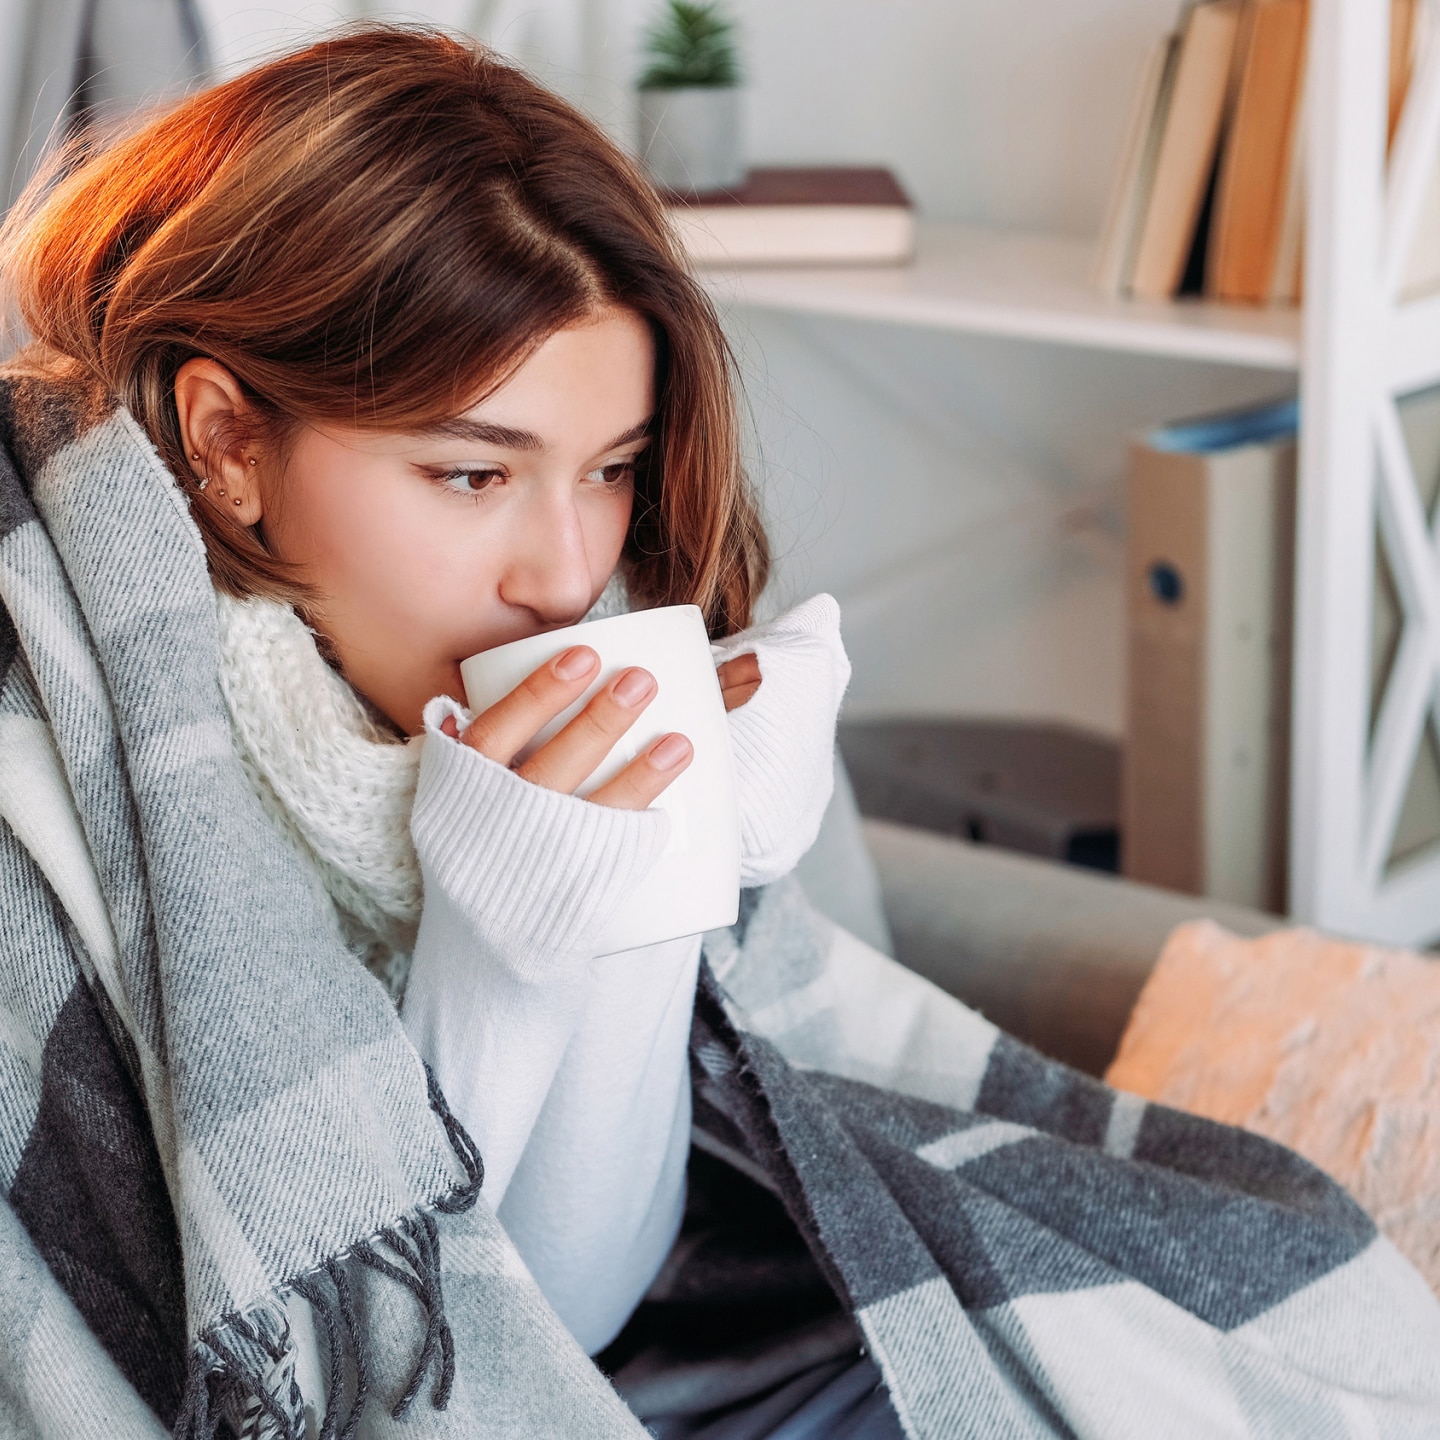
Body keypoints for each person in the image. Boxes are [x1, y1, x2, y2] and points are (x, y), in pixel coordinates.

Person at [3, 23, 1439, 1440]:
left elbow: (586, 1305)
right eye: (467, 474)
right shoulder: (62, 753)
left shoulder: (574, 642)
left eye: (611, 469)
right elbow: (392, 1385)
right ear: (227, 444)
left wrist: (650, 889)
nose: (561, 574)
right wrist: (499, 956)